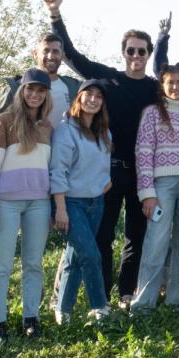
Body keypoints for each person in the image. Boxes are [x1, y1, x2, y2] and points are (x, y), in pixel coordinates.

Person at [45, 0, 159, 308]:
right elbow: (72, 55)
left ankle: (127, 292)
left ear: (148, 54)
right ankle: (103, 296)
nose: (136, 56)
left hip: (141, 174)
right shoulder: (107, 80)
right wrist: (56, 14)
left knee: (136, 237)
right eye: (131, 50)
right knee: (102, 236)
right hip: (106, 174)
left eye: (142, 51)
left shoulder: (154, 88)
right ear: (123, 52)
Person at [0, 68, 54, 342]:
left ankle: (30, 318)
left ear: (46, 95)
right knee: (1, 265)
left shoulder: (47, 127)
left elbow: (50, 167)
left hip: (39, 202)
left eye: (41, 90)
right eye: (30, 89)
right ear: (21, 91)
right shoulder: (3, 122)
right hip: (5, 204)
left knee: (33, 263)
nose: (35, 94)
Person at [130, 64, 179, 312]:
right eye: (170, 82)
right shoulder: (152, 113)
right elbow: (143, 152)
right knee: (156, 243)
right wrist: (147, 193)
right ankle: (143, 305)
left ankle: (178, 302)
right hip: (163, 186)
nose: (176, 87)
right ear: (162, 85)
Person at [49, 79, 113, 324]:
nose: (93, 99)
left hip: (96, 202)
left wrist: (105, 181)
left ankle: (63, 309)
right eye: (89, 94)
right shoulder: (66, 130)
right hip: (71, 203)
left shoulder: (104, 132)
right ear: (79, 97)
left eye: (99, 96)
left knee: (74, 256)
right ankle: (99, 307)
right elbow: (58, 170)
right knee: (91, 254)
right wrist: (61, 208)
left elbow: (103, 164)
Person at [0, 32, 81, 128]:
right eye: (46, 51)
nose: (50, 56)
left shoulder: (74, 87)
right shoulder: (16, 86)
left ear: (62, 56)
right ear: (35, 54)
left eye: (55, 51)